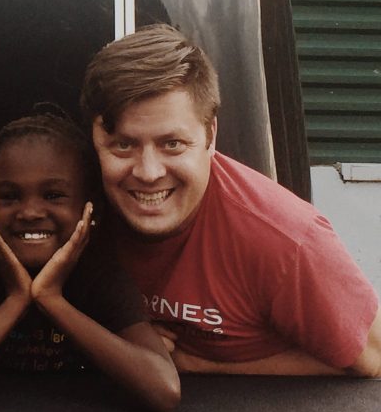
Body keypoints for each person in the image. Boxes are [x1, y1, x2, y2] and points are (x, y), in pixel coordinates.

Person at [81, 23, 381, 376]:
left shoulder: (288, 240)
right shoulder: (69, 213)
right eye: (123, 145)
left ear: (210, 136)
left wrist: (193, 364)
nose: (148, 172)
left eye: (172, 144)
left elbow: (374, 359)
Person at [0, 113, 180, 412]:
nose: (30, 212)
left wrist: (51, 299)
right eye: (10, 197)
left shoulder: (99, 271)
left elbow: (163, 390)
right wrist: (16, 299)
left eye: (53, 195)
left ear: (89, 208)